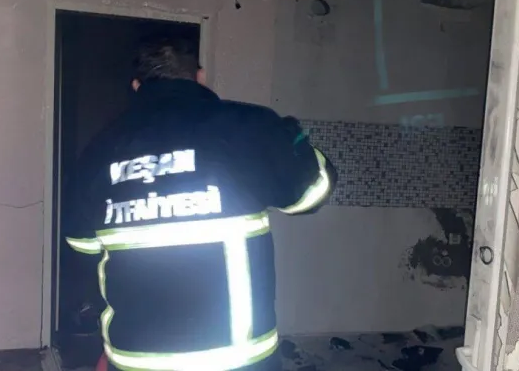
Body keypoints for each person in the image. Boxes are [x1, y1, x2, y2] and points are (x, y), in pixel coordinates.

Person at [64, 36, 338, 371]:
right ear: (200, 77)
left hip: (136, 356)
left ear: (137, 86)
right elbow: (311, 195)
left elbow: (82, 244)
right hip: (235, 359)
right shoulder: (248, 125)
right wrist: (292, 140)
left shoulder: (97, 151)